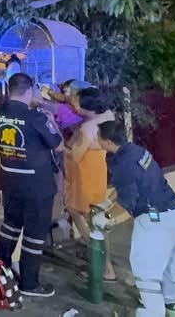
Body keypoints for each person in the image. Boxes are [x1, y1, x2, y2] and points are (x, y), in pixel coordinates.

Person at [91, 120, 175, 317]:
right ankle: (171, 306)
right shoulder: (135, 151)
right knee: (170, 264)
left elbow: (127, 201)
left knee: (146, 269)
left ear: (108, 141)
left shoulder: (124, 165)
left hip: (155, 221)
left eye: (98, 136)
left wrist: (106, 216)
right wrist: (108, 202)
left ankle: (153, 311)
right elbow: (129, 185)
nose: (95, 139)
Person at [0, 73, 64, 298]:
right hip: (37, 186)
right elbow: (59, 145)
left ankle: (0, 272)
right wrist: (52, 122)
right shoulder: (37, 118)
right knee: (34, 234)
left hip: (10, 182)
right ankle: (29, 283)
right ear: (29, 90)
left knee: (10, 226)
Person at [64, 88, 117, 281]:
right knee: (97, 219)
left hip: (84, 175)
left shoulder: (88, 127)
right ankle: (106, 267)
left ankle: (100, 262)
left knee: (81, 214)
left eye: (78, 103)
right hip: (98, 172)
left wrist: (61, 145)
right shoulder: (107, 116)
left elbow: (76, 155)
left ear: (90, 107)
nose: (75, 106)